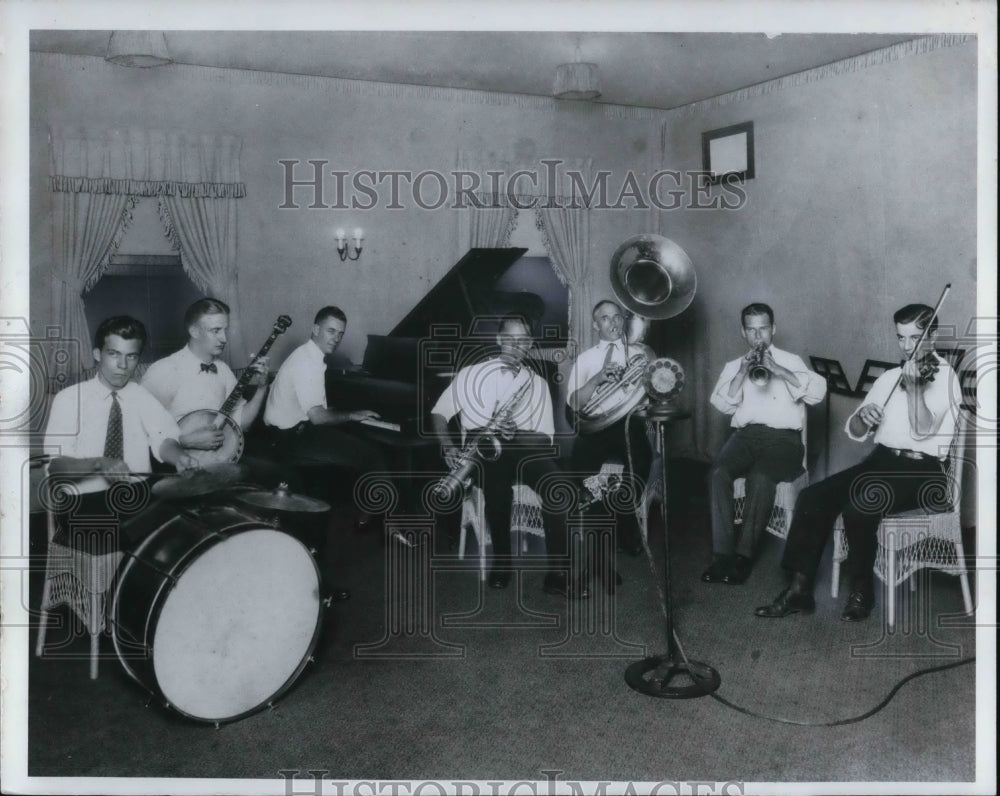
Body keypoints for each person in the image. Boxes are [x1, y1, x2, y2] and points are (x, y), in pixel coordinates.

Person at [755, 303, 961, 621]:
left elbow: (923, 431)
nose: (907, 347)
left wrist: (916, 391)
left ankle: (861, 590)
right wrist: (864, 418)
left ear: (932, 337)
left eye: (915, 339)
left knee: (862, 501)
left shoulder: (946, 379)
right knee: (814, 495)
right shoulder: (890, 377)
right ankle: (799, 590)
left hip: (924, 471)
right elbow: (855, 430)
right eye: (901, 338)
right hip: (881, 462)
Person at [431, 314, 582, 597]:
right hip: (484, 452)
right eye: (510, 339)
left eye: (523, 340)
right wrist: (448, 446)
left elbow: (544, 439)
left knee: (558, 490)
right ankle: (502, 561)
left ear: (530, 344)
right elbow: (439, 412)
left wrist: (516, 434)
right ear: (499, 339)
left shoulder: (537, 383)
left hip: (526, 449)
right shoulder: (471, 374)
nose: (516, 345)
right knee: (497, 486)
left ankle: (558, 573)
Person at [43, 316, 197, 550]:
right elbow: (56, 468)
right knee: (130, 546)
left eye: (131, 356)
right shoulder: (69, 399)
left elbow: (164, 438)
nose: (123, 365)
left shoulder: (142, 396)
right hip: (86, 502)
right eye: (114, 354)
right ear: (97, 354)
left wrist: (179, 458)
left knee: (186, 534)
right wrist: (98, 464)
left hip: (138, 497)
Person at [703, 302, 826, 585]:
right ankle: (722, 556)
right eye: (752, 330)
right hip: (745, 437)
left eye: (764, 329)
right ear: (743, 333)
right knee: (717, 473)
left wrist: (779, 370)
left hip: (785, 441)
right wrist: (741, 373)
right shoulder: (735, 365)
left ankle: (742, 558)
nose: (758, 337)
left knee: (760, 476)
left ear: (774, 329)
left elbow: (818, 394)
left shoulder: (791, 360)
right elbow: (721, 404)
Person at [566, 299, 653, 593]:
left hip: (631, 423)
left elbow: (656, 392)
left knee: (637, 468)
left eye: (617, 317)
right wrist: (599, 378)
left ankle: (624, 520)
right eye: (605, 318)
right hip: (596, 426)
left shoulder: (641, 353)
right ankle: (610, 547)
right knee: (586, 476)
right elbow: (575, 403)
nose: (613, 323)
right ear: (595, 325)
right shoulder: (586, 359)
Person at [142, 298, 269, 454]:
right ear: (194, 331)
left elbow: (242, 425)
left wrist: (262, 388)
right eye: (215, 331)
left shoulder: (223, 370)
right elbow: (140, 429)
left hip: (214, 462)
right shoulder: (164, 370)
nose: (224, 339)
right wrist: (185, 441)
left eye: (225, 330)